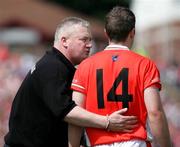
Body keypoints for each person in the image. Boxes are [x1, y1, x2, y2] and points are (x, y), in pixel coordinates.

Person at [4, 17, 138, 147]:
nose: (90, 45)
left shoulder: (59, 65)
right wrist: (107, 121)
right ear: (64, 41)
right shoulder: (52, 67)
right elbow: (67, 111)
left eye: (90, 40)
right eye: (84, 40)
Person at [69, 7, 172, 147]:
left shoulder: (85, 66)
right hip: (135, 142)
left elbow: (76, 115)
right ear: (132, 33)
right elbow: (155, 113)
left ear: (106, 33)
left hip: (98, 143)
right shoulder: (145, 64)